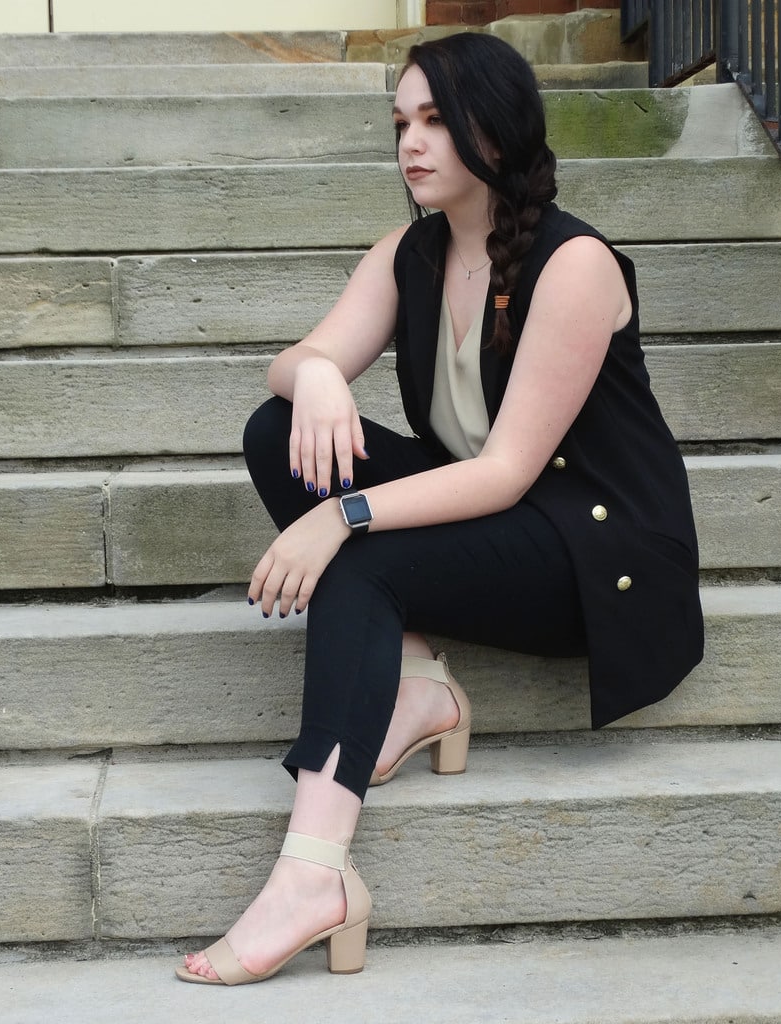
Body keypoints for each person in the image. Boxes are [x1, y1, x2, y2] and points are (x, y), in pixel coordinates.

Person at [177, 31, 703, 986]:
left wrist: (344, 515)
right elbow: (292, 364)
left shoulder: (573, 265)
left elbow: (506, 472)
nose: (412, 143)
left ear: (492, 135)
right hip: (495, 513)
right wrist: (325, 380)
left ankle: (315, 875)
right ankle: (416, 685)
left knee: (365, 554)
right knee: (277, 428)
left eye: (435, 120)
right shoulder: (408, 253)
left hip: (596, 550)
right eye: (401, 123)